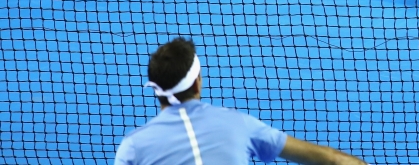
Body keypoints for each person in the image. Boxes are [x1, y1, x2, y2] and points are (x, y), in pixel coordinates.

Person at [114, 37, 366, 165]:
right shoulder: (239, 124)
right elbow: (333, 160)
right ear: (198, 82)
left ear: (156, 89)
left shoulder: (133, 146)